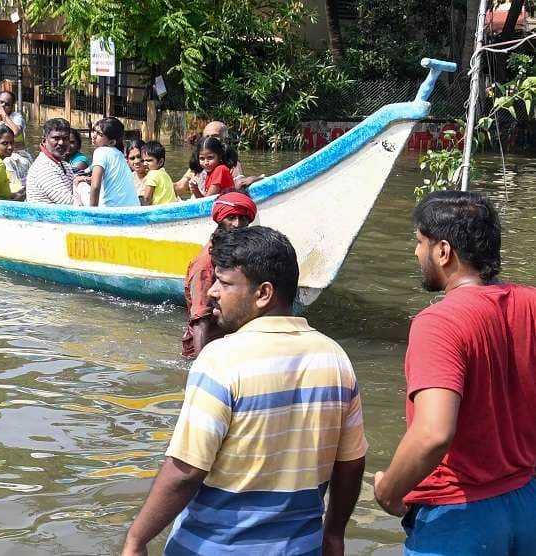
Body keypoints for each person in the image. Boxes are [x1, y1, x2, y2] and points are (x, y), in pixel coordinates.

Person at [123, 226, 367, 556]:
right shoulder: (335, 358)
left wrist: (137, 539)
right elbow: (351, 463)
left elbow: (185, 471)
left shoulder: (222, 359)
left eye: (224, 283)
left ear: (263, 293)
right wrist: (334, 533)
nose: (211, 292)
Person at [374, 190, 536, 555]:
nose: (417, 253)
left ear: (443, 251)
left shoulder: (439, 322)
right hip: (527, 502)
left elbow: (433, 433)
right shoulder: (530, 303)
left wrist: (388, 490)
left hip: (460, 516)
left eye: (419, 243)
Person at [182, 191, 257, 358]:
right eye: (231, 218)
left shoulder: (240, 254)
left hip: (232, 339)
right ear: (219, 219)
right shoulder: (205, 264)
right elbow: (200, 318)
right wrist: (202, 367)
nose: (238, 224)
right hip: (208, 347)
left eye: (243, 218)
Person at [174, 120, 263, 197]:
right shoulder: (200, 164)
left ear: (226, 141)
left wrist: (256, 178)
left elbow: (240, 183)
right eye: (206, 137)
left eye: (214, 137)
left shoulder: (231, 165)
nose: (209, 141)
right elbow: (180, 186)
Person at [75, 117, 139, 207]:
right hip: (133, 209)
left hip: (110, 211)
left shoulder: (100, 152)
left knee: (78, 184)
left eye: (99, 134)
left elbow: (95, 186)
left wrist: (93, 213)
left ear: (112, 142)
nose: (93, 135)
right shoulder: (119, 154)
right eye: (95, 131)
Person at [0, 90, 32, 191]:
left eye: (7, 104)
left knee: (6, 162)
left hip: (18, 157)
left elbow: (15, 132)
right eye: (1, 102)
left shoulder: (16, 117)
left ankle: (16, 190)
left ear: (12, 107)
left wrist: (3, 114)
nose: (3, 105)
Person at [26, 118, 77, 205]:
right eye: (56, 138)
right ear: (44, 140)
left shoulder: (64, 165)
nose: (61, 142)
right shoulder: (44, 167)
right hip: (45, 218)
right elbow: (70, 203)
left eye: (65, 138)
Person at [139, 141, 175, 206]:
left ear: (160, 162)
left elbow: (147, 198)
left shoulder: (153, 174)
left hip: (158, 211)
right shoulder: (164, 173)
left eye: (149, 160)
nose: (145, 163)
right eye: (143, 160)